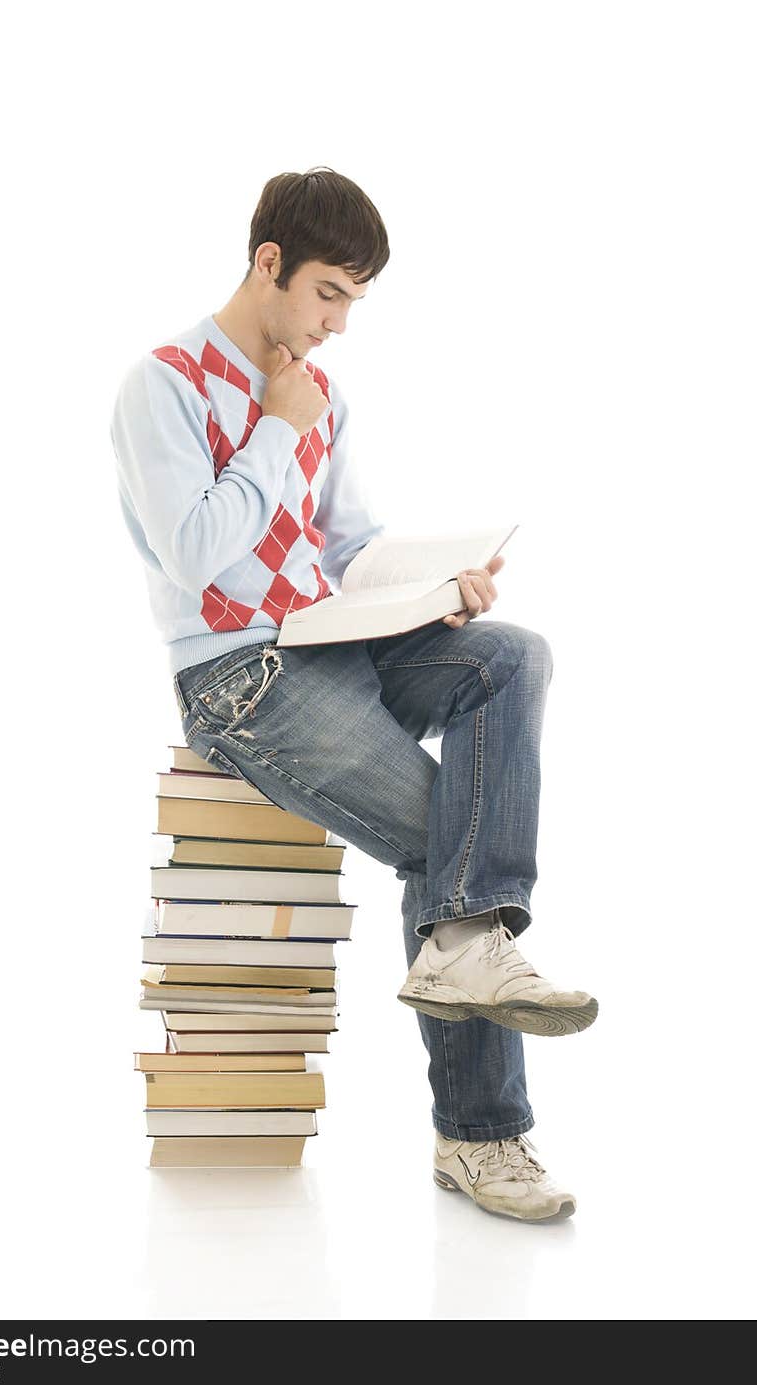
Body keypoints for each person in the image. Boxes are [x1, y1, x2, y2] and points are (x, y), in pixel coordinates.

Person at [110, 166, 598, 1222]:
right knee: (447, 840)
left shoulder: (323, 397)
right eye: (328, 293)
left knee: (511, 655)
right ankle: (482, 1137)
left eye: (353, 303)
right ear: (269, 262)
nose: (335, 324)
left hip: (333, 642)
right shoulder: (165, 384)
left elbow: (346, 551)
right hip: (239, 674)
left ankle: (467, 950)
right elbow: (193, 555)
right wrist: (277, 423)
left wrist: (435, 593)